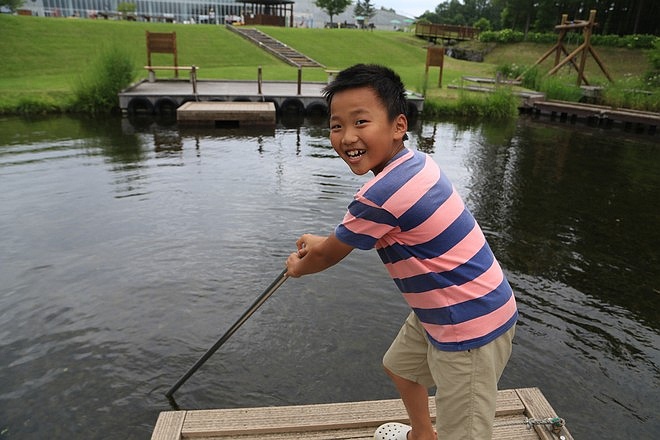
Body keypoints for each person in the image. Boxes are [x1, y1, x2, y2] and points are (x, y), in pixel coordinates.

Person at [285, 64, 517, 440]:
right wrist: (321, 242)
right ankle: (423, 435)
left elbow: (328, 255)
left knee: (467, 432)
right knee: (401, 368)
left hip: (469, 324)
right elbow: (345, 238)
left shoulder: (379, 197)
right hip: (449, 307)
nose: (346, 137)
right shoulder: (416, 163)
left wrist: (299, 267)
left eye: (361, 122)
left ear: (398, 126)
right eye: (336, 125)